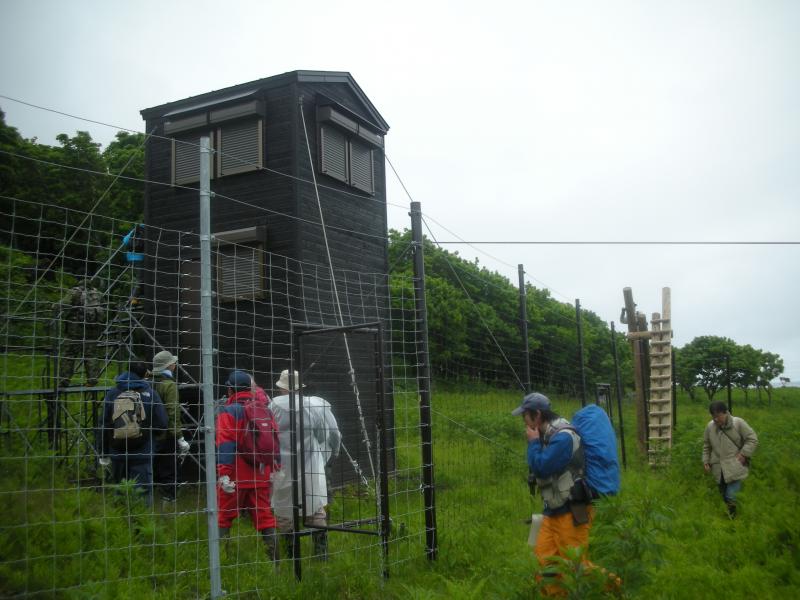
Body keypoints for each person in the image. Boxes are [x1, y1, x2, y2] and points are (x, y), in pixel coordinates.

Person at [513, 392, 593, 590]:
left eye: (525, 415)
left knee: (577, 567)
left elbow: (542, 467)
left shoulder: (563, 437)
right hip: (552, 510)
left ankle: (616, 588)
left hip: (571, 510)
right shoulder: (548, 434)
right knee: (544, 562)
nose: (523, 419)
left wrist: (532, 443)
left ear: (537, 415)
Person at [270, 369, 341, 560]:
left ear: (282, 388)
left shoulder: (272, 407)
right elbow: (323, 434)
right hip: (310, 462)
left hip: (282, 465)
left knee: (284, 507)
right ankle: (321, 553)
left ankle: (292, 553)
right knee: (314, 505)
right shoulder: (312, 406)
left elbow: (268, 435)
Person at [216, 370, 279, 562]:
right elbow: (274, 440)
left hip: (234, 476)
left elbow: (226, 443)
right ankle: (276, 566)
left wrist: (223, 474)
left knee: (224, 518)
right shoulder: (264, 409)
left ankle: (221, 563)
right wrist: (274, 468)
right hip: (260, 474)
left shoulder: (229, 411)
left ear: (230, 389)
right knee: (266, 518)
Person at [96, 361, 167, 506]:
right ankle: (140, 525)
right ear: (145, 374)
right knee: (143, 493)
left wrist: (103, 452)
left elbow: (103, 424)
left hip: (117, 452)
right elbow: (162, 424)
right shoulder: (150, 394)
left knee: (120, 492)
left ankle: (121, 524)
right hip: (143, 453)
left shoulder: (113, 393)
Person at [702, 401, 758, 518]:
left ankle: (732, 519)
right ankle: (731, 516)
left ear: (725, 412)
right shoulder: (710, 427)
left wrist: (744, 454)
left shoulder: (738, 423)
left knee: (731, 496)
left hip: (735, 465)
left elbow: (752, 439)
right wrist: (706, 461)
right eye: (713, 416)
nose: (716, 419)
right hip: (718, 467)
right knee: (723, 494)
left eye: (718, 416)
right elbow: (707, 445)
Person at [150, 351, 190, 508]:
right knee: (169, 469)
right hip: (167, 434)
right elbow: (173, 412)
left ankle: (151, 503)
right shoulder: (169, 385)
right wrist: (179, 437)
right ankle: (168, 507)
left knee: (155, 468)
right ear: (169, 365)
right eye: (173, 362)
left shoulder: (149, 383)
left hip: (151, 434)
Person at [54, 277, 105, 389]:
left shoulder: (75, 292)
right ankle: (92, 380)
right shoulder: (98, 294)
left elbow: (63, 304)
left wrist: (54, 306)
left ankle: (64, 381)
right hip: (92, 330)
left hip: (75, 330)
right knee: (91, 355)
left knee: (69, 355)